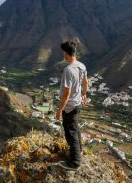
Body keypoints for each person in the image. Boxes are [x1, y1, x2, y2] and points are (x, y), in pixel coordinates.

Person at [56, 41, 88, 171]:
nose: (63, 54)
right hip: (78, 103)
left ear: (65, 53)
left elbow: (67, 93)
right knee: (75, 128)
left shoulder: (68, 70)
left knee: (71, 132)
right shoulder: (81, 66)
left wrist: (60, 110)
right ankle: (78, 150)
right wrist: (84, 95)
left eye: (63, 52)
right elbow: (85, 83)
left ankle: (75, 162)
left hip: (69, 106)